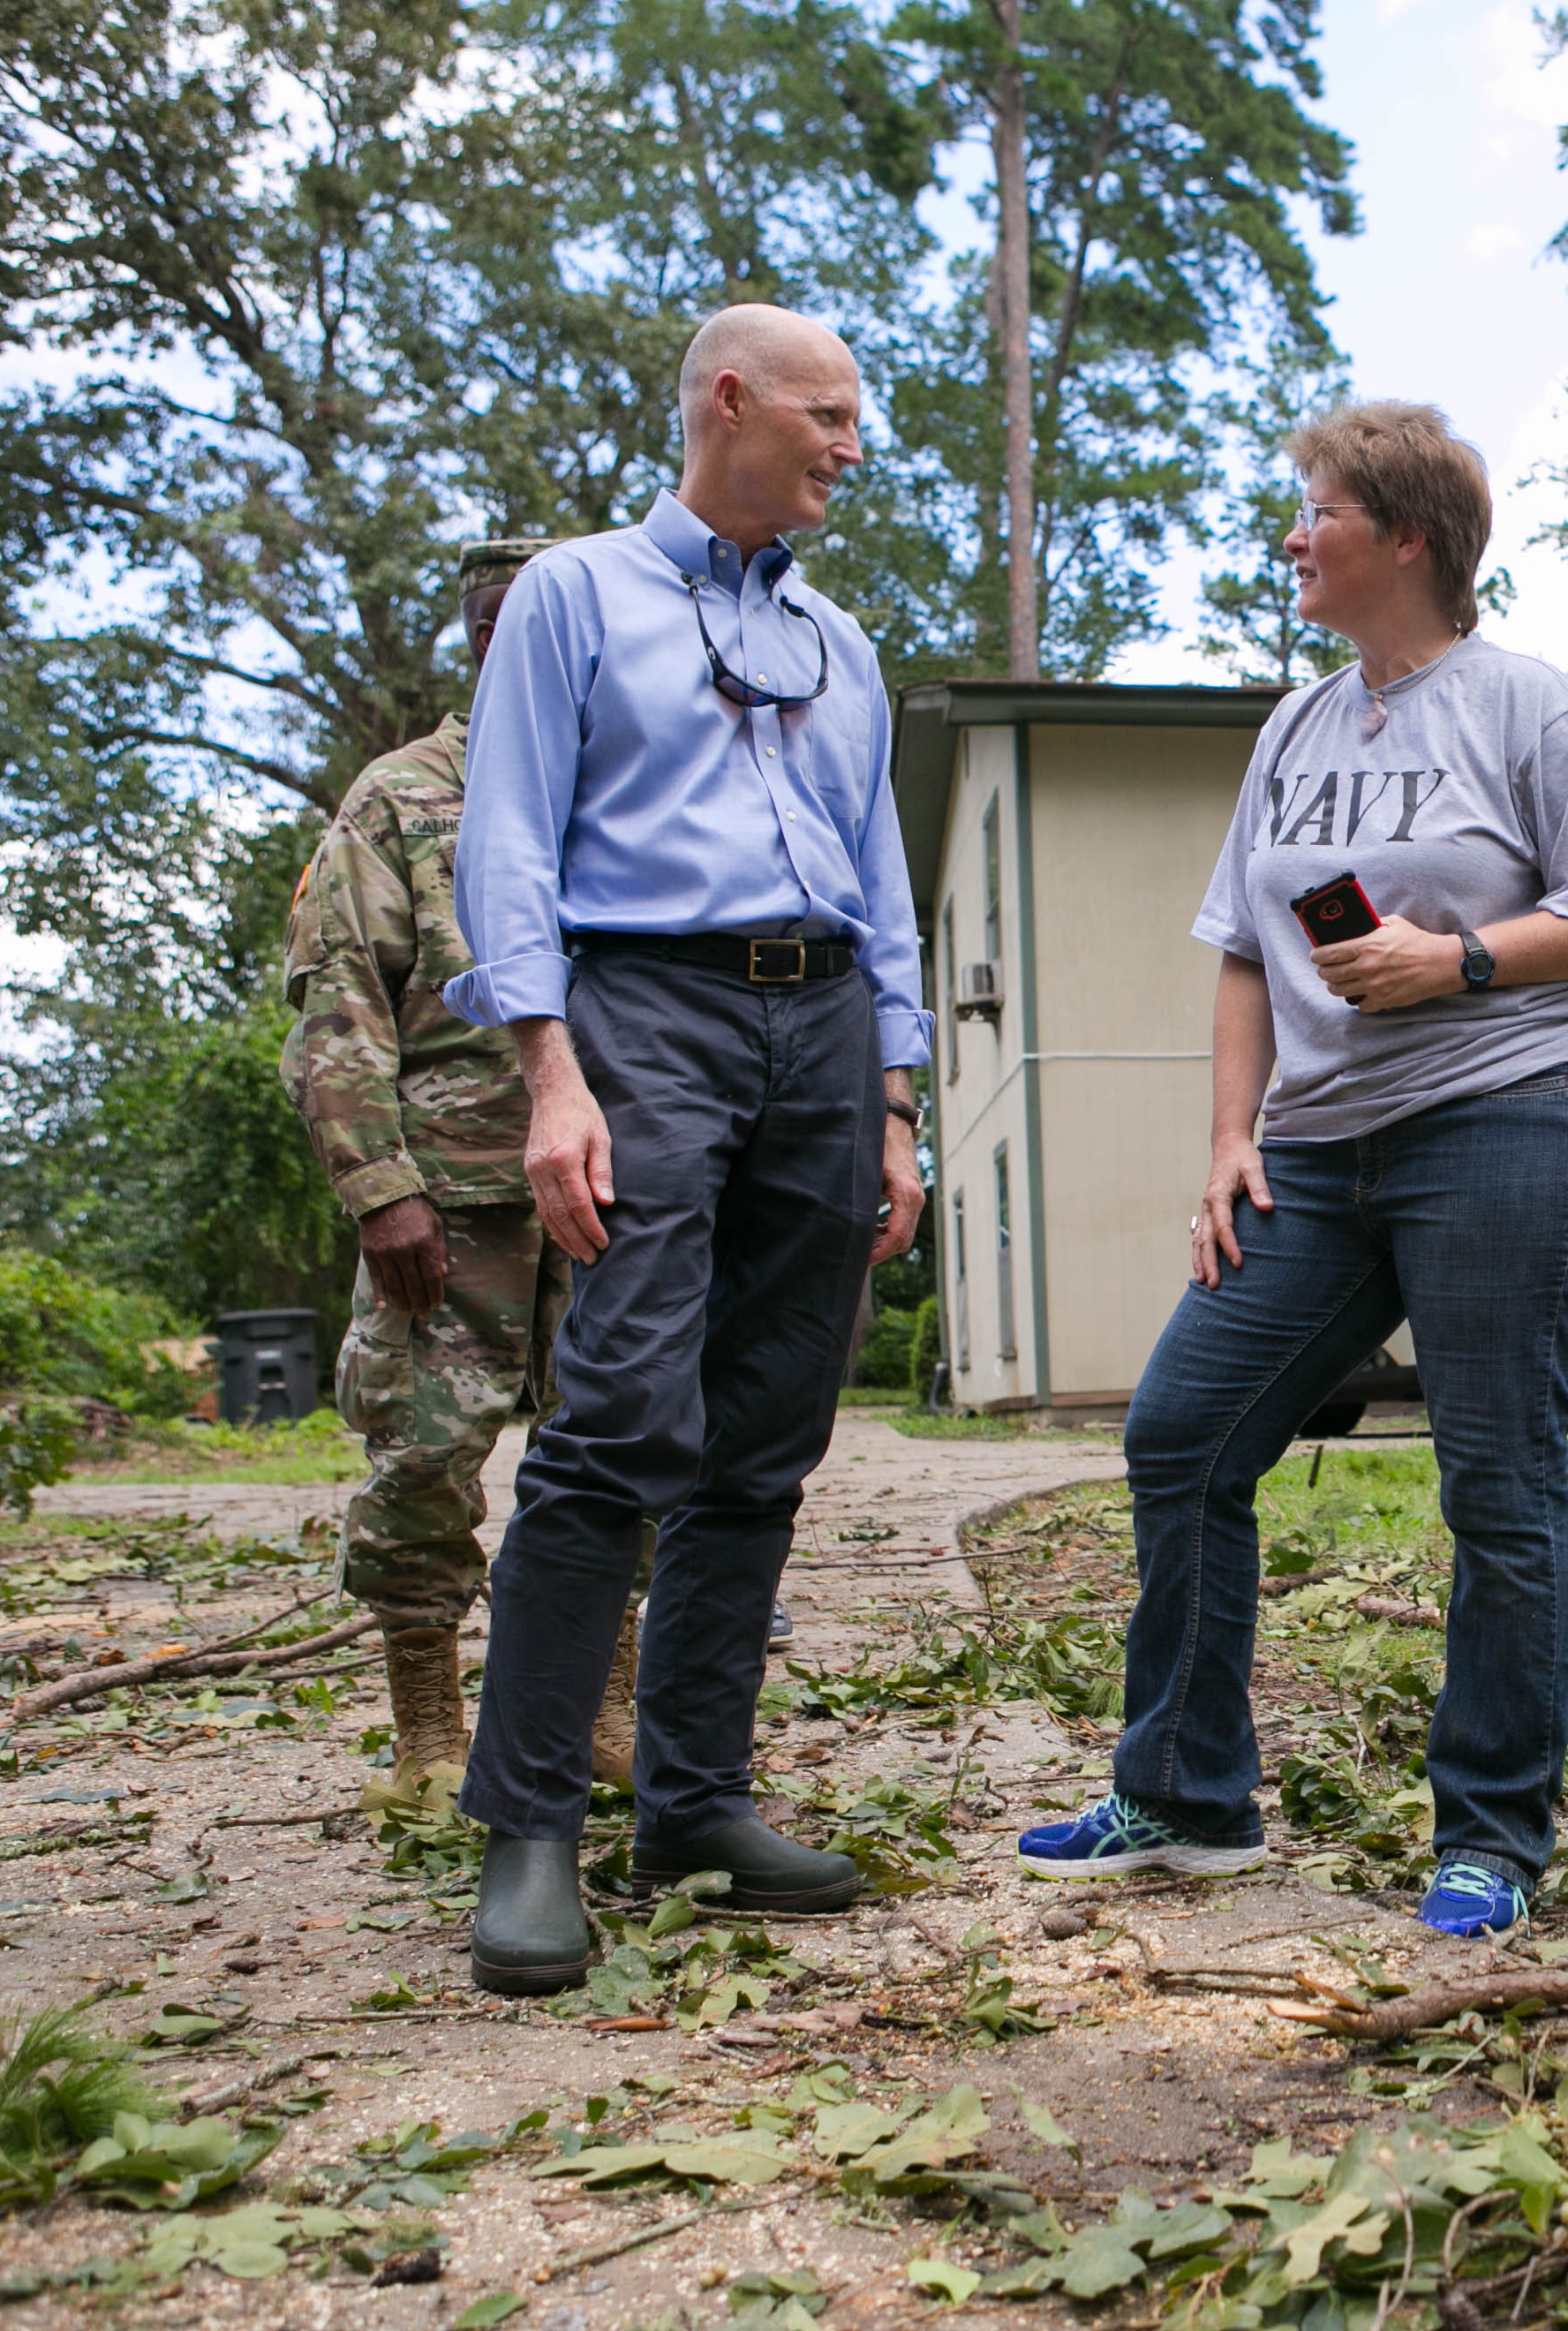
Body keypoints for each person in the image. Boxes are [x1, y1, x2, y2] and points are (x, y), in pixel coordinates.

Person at [1018, 401, 1568, 1939]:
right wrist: (1230, 1138)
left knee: (1497, 1483)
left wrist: (1457, 962)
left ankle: (1491, 1839)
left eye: (1316, 511)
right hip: (1312, 1154)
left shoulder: (1525, 706)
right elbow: (1245, 952)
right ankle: (1186, 1794)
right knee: (1182, 1432)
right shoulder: (1295, 725)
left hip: (1505, 1121)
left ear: (1408, 538)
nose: (1291, 537)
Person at [443, 303, 931, 1996]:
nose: (850, 443)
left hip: (820, 1022)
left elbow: (882, 877)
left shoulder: (846, 646)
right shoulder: (577, 596)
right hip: (644, 1011)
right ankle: (527, 1830)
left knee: (770, 1423)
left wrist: (890, 1095)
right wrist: (549, 1076)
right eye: (830, 412)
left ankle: (694, 1800)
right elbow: (505, 842)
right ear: (731, 402)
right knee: (622, 1412)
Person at [283, 539, 656, 1790]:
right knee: (426, 1461)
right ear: (482, 637)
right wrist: (380, 1190)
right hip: (455, 1198)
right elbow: (337, 1006)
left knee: (617, 1446)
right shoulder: (400, 797)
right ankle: (429, 1725)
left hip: (614, 1194)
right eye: (510, 622)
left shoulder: (626, 785)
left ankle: (604, 1707)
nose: (532, 644)